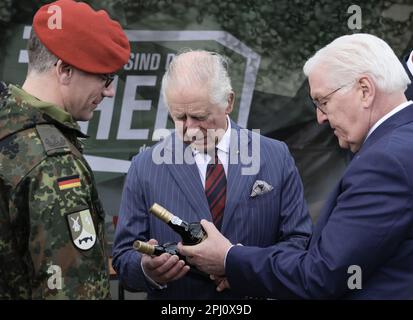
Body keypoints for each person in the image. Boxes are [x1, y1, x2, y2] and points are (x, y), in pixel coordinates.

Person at [179, 33, 413, 299]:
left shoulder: (385, 162)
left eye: (323, 101)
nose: (320, 118)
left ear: (365, 90)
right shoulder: (399, 144)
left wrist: (229, 258)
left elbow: (323, 274)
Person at [112, 50, 312, 300]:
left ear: (228, 102)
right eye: (179, 117)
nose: (190, 130)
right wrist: (147, 270)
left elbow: (298, 240)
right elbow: (123, 257)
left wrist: (247, 270)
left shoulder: (275, 156)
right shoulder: (145, 166)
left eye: (199, 117)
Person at [0, 0, 130, 299]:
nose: (109, 91)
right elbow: (75, 290)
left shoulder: (9, 126)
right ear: (65, 70)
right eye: (104, 78)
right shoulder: (53, 164)